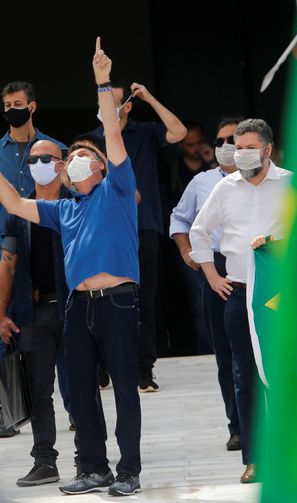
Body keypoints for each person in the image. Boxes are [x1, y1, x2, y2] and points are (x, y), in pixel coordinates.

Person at [0, 38, 142, 497]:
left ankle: (128, 470)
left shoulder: (117, 190)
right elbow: (11, 200)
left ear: (102, 166)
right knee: (82, 391)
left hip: (118, 302)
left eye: (81, 155)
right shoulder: (63, 210)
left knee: (125, 390)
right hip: (78, 305)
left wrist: (103, 82)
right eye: (71, 158)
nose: (76, 158)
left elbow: (110, 131)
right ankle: (94, 468)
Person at [189, 118, 292, 484]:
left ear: (268, 150)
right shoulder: (226, 187)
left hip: (280, 296)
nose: (241, 152)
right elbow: (197, 231)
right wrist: (212, 275)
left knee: (281, 375)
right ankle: (254, 458)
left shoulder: (292, 184)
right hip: (238, 292)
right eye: (238, 146)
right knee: (244, 377)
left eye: (249, 146)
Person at [87, 81, 186, 392]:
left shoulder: (144, 132)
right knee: (104, 298)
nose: (106, 107)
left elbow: (178, 132)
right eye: (101, 101)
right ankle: (103, 365)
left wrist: (149, 98)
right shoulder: (90, 140)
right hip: (104, 229)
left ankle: (144, 369)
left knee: (146, 300)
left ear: (127, 106)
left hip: (143, 227)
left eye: (113, 101)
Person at [0, 80, 65, 437]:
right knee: (8, 334)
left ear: (32, 106)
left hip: (50, 250)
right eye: (7, 104)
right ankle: (10, 410)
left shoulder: (55, 149)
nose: (12, 109)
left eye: (18, 103)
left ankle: (75, 407)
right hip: (7, 251)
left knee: (60, 337)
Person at [0, 140, 72, 486]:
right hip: (34, 312)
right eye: (33, 159)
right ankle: (45, 461)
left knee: (81, 389)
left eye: (47, 158)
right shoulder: (20, 210)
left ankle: (91, 459)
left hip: (75, 309)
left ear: (62, 164)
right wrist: (0, 313)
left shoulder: (79, 203)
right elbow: (7, 265)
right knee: (39, 392)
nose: (39, 163)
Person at [170, 117, 243, 452]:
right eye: (220, 140)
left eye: (233, 139)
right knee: (226, 354)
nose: (225, 146)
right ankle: (238, 425)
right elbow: (180, 218)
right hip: (217, 268)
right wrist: (188, 253)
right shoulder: (202, 182)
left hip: (263, 265)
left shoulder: (273, 179)